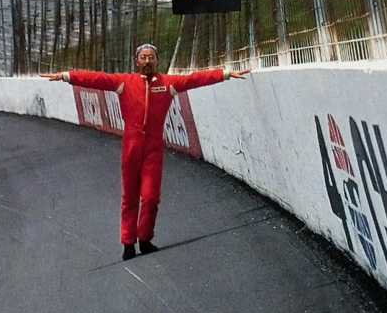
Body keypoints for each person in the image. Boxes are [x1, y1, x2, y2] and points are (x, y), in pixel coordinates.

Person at [42, 44, 251, 260]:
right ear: (137, 61)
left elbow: (195, 79)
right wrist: (67, 76)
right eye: (143, 57)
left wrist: (225, 74)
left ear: (157, 61)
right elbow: (96, 79)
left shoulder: (167, 84)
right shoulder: (124, 82)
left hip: (153, 148)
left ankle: (144, 238)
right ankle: (128, 242)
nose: (148, 61)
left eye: (151, 57)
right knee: (129, 196)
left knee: (151, 197)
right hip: (131, 147)